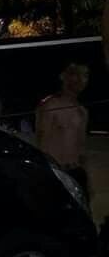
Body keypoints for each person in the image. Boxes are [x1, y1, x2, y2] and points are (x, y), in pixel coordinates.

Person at [35, 62, 91, 199]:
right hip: (57, 173)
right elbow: (42, 144)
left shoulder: (82, 111)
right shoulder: (50, 105)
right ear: (63, 76)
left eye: (85, 75)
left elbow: (81, 147)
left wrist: (86, 179)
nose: (80, 79)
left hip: (76, 172)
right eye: (74, 74)